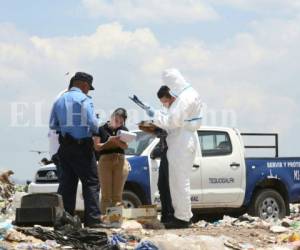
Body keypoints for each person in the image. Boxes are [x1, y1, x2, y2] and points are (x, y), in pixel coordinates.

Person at [145, 68, 203, 229]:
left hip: (181, 141)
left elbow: (172, 122)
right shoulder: (190, 94)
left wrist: (155, 115)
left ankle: (183, 218)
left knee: (179, 181)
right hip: (181, 140)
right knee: (176, 181)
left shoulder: (184, 98)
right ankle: (181, 216)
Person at [49, 72, 103, 228]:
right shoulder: (84, 99)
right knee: (91, 183)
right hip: (82, 147)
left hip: (65, 147)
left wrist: (68, 129)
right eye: (88, 88)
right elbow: (93, 124)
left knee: (67, 184)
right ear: (85, 85)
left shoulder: (59, 100)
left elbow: (53, 125)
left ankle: (66, 221)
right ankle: (93, 220)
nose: (88, 91)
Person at [93, 108, 130, 214]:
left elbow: (126, 145)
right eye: (117, 120)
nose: (119, 124)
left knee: (117, 195)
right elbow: (97, 146)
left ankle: (116, 220)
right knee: (106, 194)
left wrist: (117, 142)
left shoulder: (124, 129)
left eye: (121, 122)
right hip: (105, 160)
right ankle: (105, 219)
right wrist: (108, 142)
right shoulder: (101, 129)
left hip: (120, 160)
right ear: (112, 117)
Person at [150, 86, 175, 223]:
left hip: (173, 153)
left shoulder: (177, 110)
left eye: (164, 101)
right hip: (166, 151)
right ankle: (166, 214)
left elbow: (173, 130)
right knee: (162, 185)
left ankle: (171, 214)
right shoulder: (167, 111)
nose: (164, 104)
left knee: (170, 185)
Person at [48, 77, 74, 194]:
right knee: (66, 183)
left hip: (57, 148)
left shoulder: (62, 96)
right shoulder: (66, 98)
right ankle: (62, 210)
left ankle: (63, 210)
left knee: (66, 182)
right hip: (61, 149)